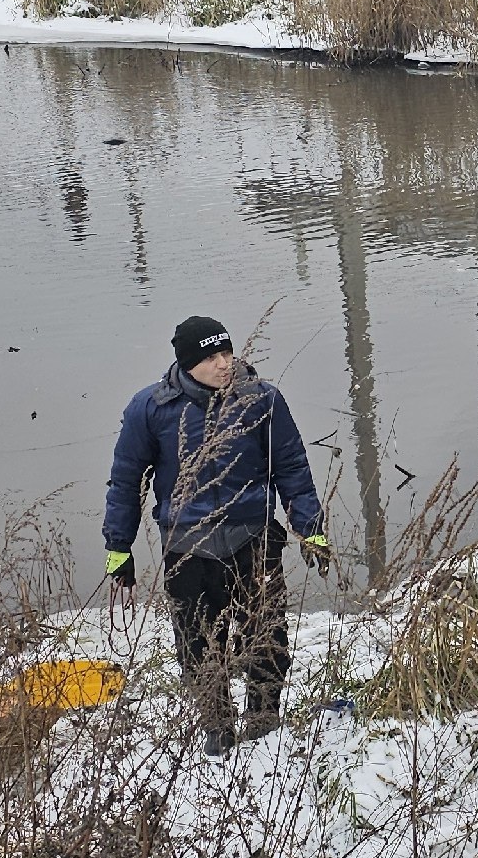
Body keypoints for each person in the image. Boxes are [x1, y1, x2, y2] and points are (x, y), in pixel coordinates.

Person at [103, 316, 332, 754]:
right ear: (188, 363)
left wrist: (310, 529)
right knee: (197, 646)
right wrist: (118, 545)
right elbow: (126, 481)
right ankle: (218, 727)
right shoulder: (150, 409)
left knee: (267, 637)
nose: (224, 364)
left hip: (253, 539)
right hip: (188, 550)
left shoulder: (261, 399)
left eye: (227, 353)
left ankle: (264, 721)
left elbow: (291, 466)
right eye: (212, 357)